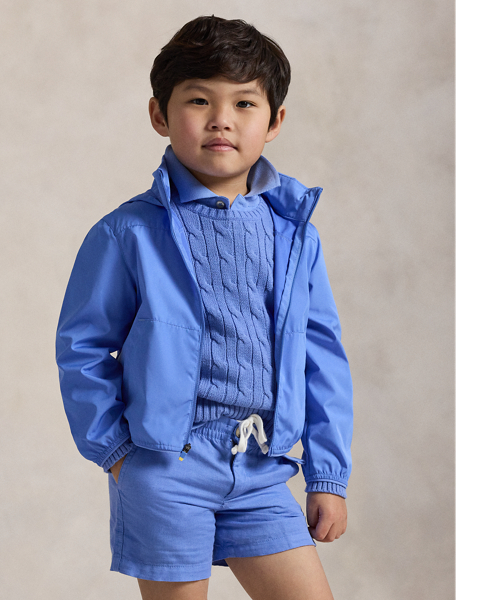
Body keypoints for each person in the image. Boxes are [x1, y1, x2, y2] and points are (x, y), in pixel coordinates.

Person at [56, 15, 353, 600]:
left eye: (244, 103)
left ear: (275, 121)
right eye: (198, 100)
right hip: (165, 469)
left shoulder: (295, 235)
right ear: (159, 115)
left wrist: (328, 474)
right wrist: (116, 453)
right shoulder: (128, 233)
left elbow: (322, 357)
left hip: (261, 467)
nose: (222, 119)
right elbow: (83, 347)